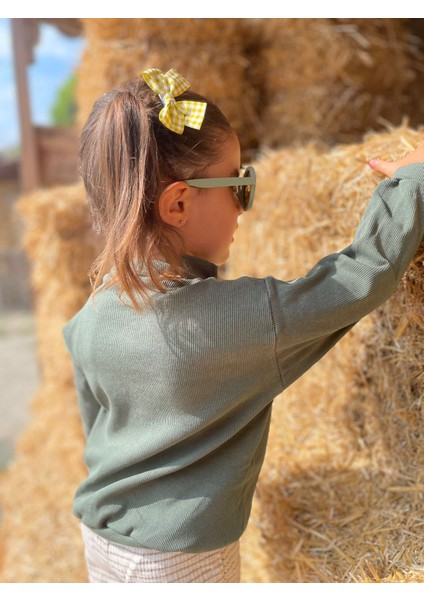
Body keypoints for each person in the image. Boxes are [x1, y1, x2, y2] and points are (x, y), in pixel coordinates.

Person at [63, 67, 424, 583]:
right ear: (179, 203)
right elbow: (360, 277)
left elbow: (103, 428)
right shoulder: (232, 322)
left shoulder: (90, 317)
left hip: (102, 542)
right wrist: (412, 180)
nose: (244, 208)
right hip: (179, 564)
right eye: (240, 185)